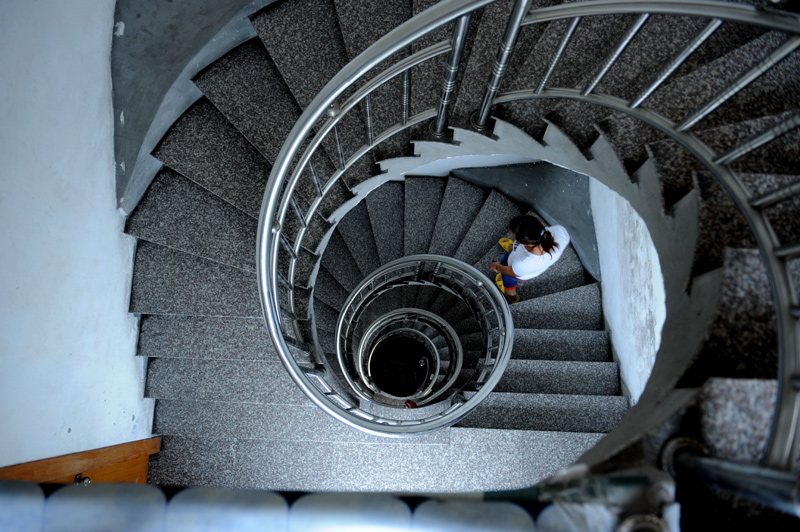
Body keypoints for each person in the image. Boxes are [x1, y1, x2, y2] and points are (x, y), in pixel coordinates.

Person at [490, 214, 571, 304]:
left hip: (516, 271)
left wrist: (497, 267)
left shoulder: (524, 263)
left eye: (513, 236)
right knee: (512, 254)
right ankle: (513, 248)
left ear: (525, 242)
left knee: (509, 281)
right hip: (521, 260)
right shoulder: (560, 231)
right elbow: (565, 243)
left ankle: (512, 297)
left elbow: (511, 272)